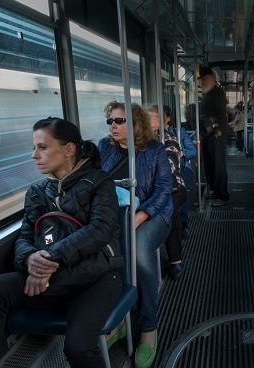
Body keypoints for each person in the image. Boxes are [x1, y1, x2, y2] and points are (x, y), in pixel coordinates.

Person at [0, 117, 122, 368]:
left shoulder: (99, 183)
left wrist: (49, 258)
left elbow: (100, 230)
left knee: (78, 347)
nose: (34, 155)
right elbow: (26, 236)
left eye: (42, 147)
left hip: (97, 275)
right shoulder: (37, 193)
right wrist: (29, 259)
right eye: (34, 147)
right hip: (54, 276)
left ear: (68, 149)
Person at [99, 101, 173, 368]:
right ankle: (118, 319)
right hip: (115, 215)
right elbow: (95, 182)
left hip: (153, 213)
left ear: (136, 124)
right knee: (103, 255)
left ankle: (148, 327)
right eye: (111, 121)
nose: (114, 126)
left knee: (140, 251)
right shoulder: (104, 148)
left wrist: (140, 216)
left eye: (120, 121)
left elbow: (165, 189)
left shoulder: (154, 150)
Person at [150, 105, 186, 280]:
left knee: (169, 207)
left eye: (154, 117)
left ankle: (175, 260)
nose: (150, 120)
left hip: (174, 186)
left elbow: (169, 165)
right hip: (148, 187)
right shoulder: (137, 140)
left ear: (165, 119)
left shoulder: (169, 139)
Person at [199, 66, 230, 207]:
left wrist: (215, 129)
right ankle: (216, 191)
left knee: (218, 166)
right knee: (210, 165)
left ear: (211, 80)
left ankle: (223, 195)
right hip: (208, 135)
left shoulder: (217, 94)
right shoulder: (209, 94)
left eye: (204, 80)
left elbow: (219, 114)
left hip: (215, 135)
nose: (202, 83)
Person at [167, 105, 197, 239]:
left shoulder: (179, 132)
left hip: (182, 168)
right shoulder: (148, 136)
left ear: (168, 118)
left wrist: (181, 152)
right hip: (165, 171)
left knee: (180, 185)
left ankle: (183, 222)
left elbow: (192, 152)